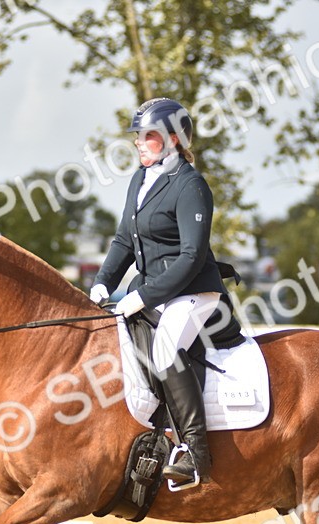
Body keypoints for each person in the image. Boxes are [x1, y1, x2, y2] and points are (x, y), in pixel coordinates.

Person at [90, 97, 226, 487]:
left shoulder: (190, 185)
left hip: (193, 291)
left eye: (147, 135)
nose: (138, 142)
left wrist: (143, 296)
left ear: (173, 138)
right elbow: (123, 240)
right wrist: (103, 284)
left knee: (166, 349)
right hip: (152, 291)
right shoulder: (140, 179)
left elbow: (191, 256)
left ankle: (195, 455)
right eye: (138, 135)